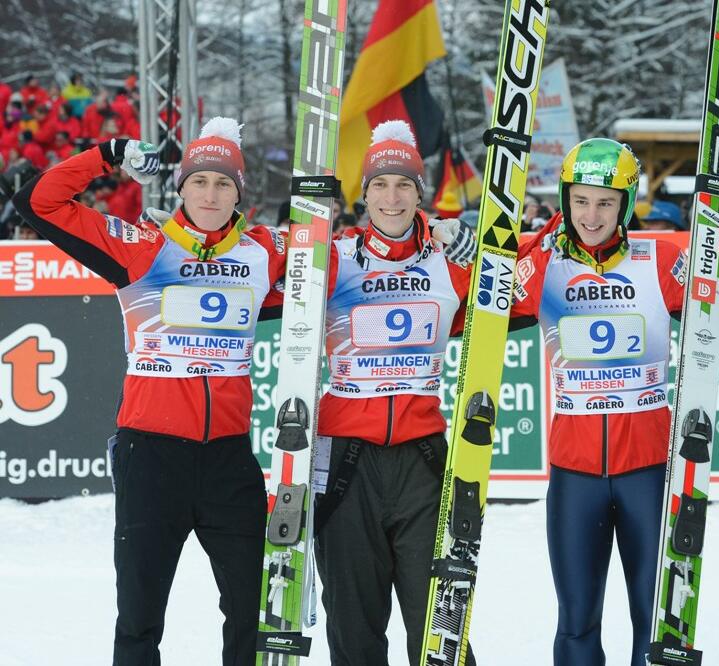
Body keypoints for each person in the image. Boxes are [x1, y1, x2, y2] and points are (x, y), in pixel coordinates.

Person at [13, 116, 288, 665]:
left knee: (253, 612)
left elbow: (352, 257)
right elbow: (38, 202)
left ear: (239, 193)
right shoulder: (141, 245)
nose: (210, 194)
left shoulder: (263, 252)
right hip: (151, 458)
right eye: (199, 181)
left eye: (224, 183)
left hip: (229, 461)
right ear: (181, 187)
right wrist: (109, 153)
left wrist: (440, 238)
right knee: (139, 618)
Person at [509, 138, 719, 666]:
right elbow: (475, 304)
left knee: (655, 619)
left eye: (605, 202)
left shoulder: (658, 261)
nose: (591, 216)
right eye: (579, 201)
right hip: (574, 474)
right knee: (576, 620)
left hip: (647, 472)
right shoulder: (546, 267)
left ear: (625, 204)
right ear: (564, 201)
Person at [312, 119, 477, 666]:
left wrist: (483, 247)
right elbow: (254, 266)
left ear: (419, 193)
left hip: (421, 459)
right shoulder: (335, 257)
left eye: (404, 184)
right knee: (354, 630)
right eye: (379, 185)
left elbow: (528, 282)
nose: (391, 197)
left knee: (440, 629)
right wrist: (182, 236)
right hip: (345, 461)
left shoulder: (448, 261)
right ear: (364, 195)